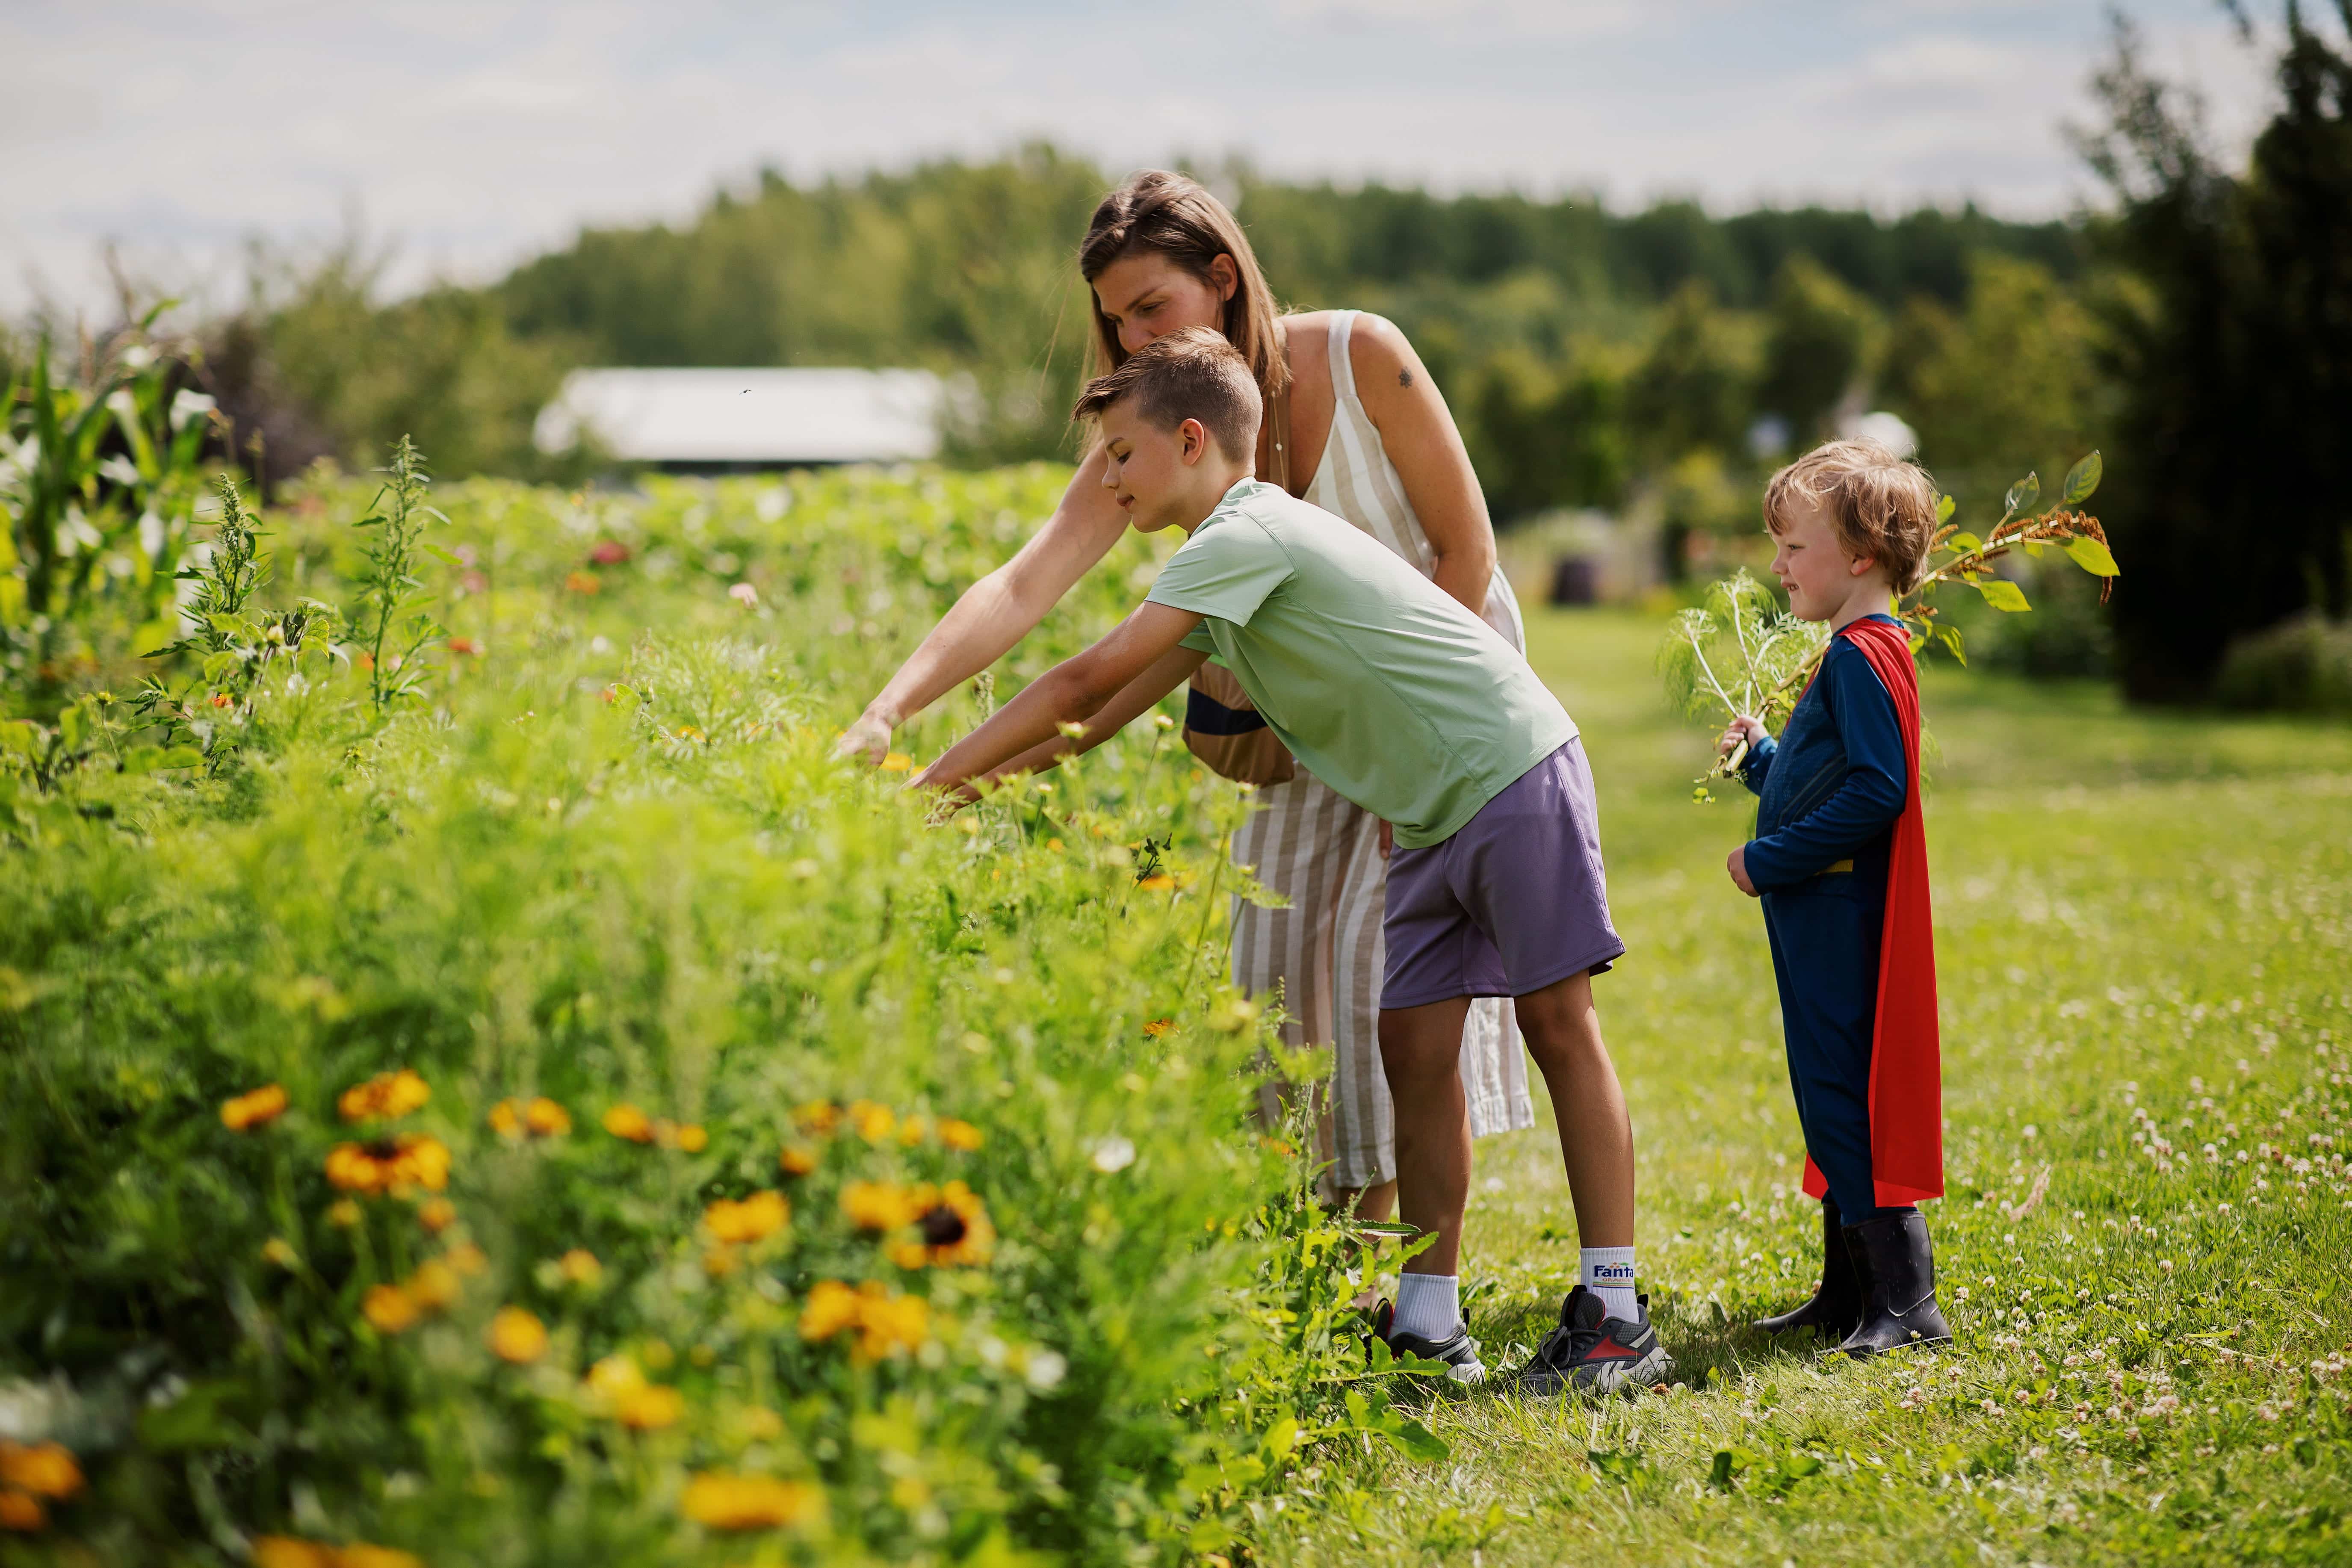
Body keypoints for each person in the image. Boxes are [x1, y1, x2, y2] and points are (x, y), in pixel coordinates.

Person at [916, 328, 1672, 1394]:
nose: (1109, 481)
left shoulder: (1245, 531)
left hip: (1507, 768)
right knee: (1411, 1049)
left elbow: (1084, 680)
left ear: (1190, 441)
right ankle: (1426, 1316)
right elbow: (1097, 721)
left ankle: (1615, 1312)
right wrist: (967, 793)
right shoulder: (1228, 565)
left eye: (1120, 456)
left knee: (1557, 1023)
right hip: (1427, 810)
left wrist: (924, 787)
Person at [841, 171, 1534, 1223]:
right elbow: (1026, 584)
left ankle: (1392, 1274)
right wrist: (887, 712)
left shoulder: (1356, 354)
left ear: (1221, 278)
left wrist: (1414, 753)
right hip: (1303, 711)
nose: (1126, 343)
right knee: (1278, 976)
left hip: (1431, 688)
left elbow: (1467, 548)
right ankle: (1324, 1258)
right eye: (1114, 323)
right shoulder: (1153, 423)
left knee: (1376, 969)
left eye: (1148, 309)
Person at [1718, 440, 1951, 1357]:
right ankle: (1844, 1292)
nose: (1777, 568)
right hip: (1816, 910)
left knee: (1846, 1093)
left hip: (1831, 912)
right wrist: (1763, 761)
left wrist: (1767, 858)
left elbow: (1875, 792)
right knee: (1825, 1094)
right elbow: (1832, 778)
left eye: (1790, 549)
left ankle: (1903, 1301)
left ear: (1858, 557)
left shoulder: (1861, 654)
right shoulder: (1857, 648)